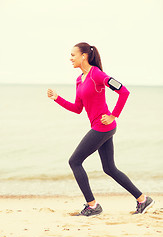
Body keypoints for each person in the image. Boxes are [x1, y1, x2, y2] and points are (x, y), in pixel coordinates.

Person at [47, 42, 154, 216]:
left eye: (73, 55)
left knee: (74, 161)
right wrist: (57, 98)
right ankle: (143, 199)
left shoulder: (97, 74)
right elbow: (77, 108)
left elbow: (124, 91)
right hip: (101, 127)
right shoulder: (79, 79)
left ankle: (92, 206)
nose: (70, 58)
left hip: (103, 126)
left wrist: (113, 115)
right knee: (109, 168)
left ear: (84, 56)